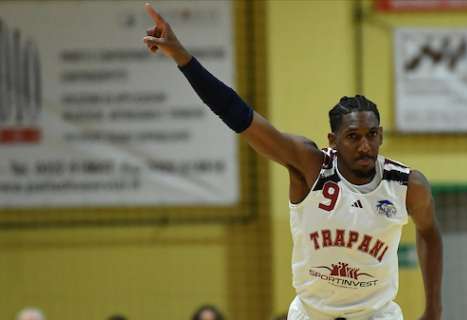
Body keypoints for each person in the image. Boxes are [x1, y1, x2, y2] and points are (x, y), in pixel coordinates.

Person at [142, 3, 442, 320]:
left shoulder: (408, 186)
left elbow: (430, 233)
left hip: (376, 314)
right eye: (353, 137)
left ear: (381, 135)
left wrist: (434, 306)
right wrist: (182, 58)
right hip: (312, 313)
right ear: (333, 141)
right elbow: (238, 115)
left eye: (372, 135)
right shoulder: (310, 166)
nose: (365, 145)